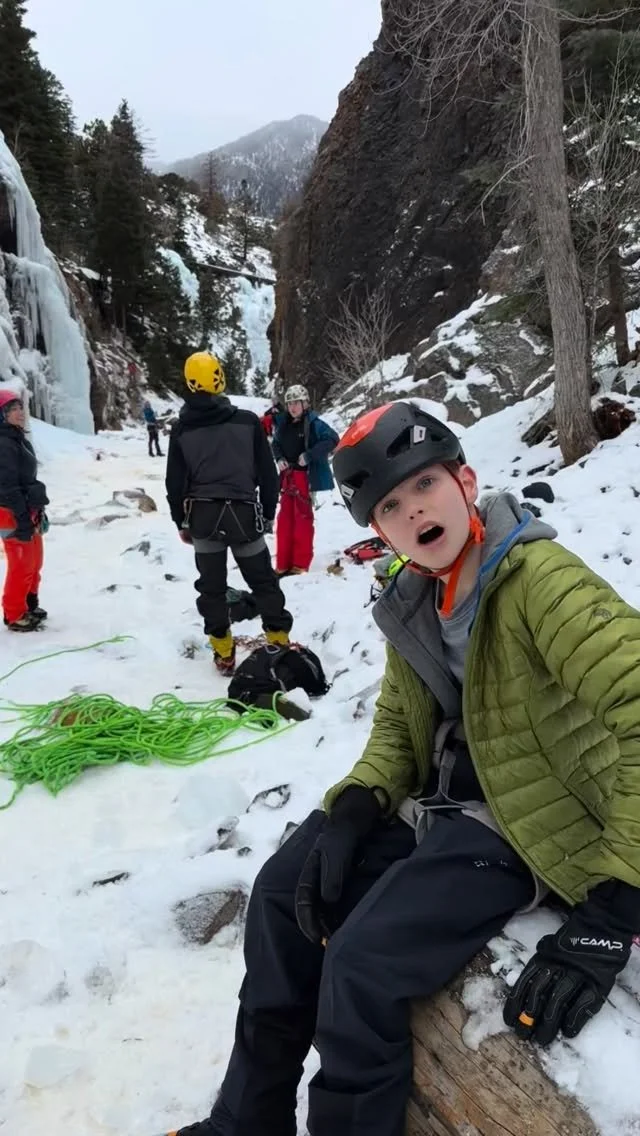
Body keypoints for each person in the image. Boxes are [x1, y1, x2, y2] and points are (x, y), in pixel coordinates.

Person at [164, 399, 640, 1136]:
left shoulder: (542, 582)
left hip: (528, 821)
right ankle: (245, 1121)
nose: (414, 509)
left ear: (465, 482)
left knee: (362, 963)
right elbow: (397, 726)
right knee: (282, 895)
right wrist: (358, 803)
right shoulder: (415, 596)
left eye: (424, 484)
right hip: (446, 798)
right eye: (389, 505)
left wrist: (614, 910)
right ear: (379, 533)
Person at [165, 351, 293, 675]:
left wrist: (180, 521)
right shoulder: (247, 422)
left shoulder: (181, 430)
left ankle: (223, 652)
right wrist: (267, 514)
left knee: (212, 589)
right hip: (244, 517)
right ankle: (278, 641)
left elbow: (175, 482)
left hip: (203, 519)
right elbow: (268, 474)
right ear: (219, 379)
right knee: (263, 582)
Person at [271, 384, 339, 575]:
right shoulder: (283, 423)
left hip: (304, 476)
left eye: (296, 403)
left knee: (302, 519)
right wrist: (279, 458)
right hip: (287, 476)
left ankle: (300, 564)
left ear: (305, 403)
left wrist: (309, 455)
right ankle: (283, 563)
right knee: (284, 519)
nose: (292, 407)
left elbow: (332, 439)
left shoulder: (314, 423)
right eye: (290, 403)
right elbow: (276, 444)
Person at [0, 389, 49, 632]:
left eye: (21, 407)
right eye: (12, 409)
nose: (20, 413)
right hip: (11, 512)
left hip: (27, 509)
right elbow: (7, 486)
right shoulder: (3, 444)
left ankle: (29, 602)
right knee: (21, 563)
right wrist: (21, 519)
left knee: (35, 560)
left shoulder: (18, 439)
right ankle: (14, 613)